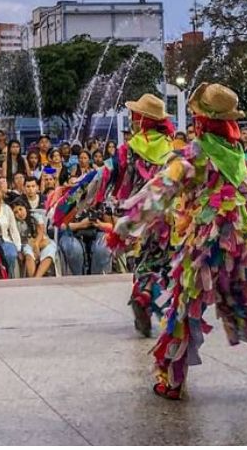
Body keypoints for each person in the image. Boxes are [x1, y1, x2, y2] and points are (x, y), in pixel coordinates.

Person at [117, 83, 247, 400]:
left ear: (203, 120)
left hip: (210, 241)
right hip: (245, 242)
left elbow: (159, 191)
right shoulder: (237, 153)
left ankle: (172, 381)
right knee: (237, 301)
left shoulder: (195, 153)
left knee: (183, 306)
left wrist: (125, 226)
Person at [49, 93, 176, 334]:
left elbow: (101, 177)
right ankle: (158, 302)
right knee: (168, 261)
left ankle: (143, 296)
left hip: (142, 217)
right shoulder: (172, 150)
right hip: (171, 216)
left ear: (141, 121)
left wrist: (71, 201)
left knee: (146, 260)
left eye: (134, 116)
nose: (131, 119)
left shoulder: (130, 150)